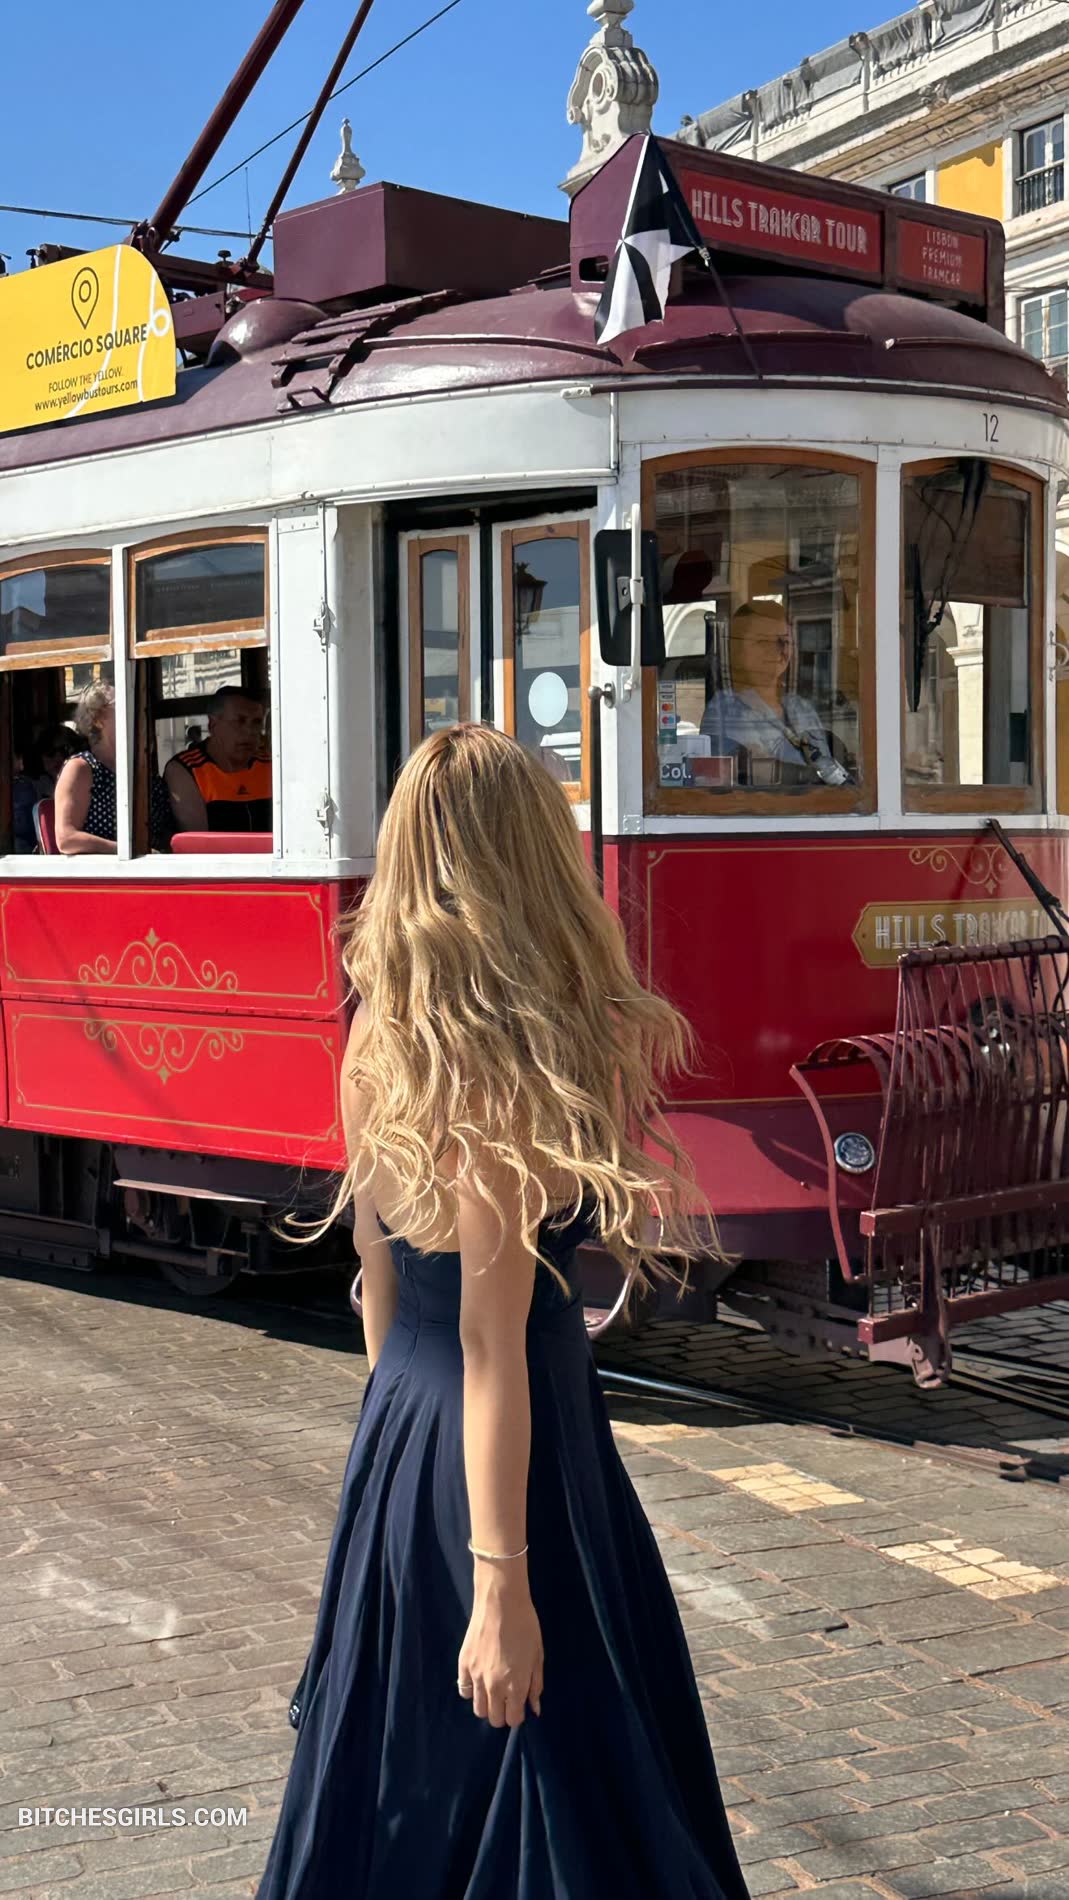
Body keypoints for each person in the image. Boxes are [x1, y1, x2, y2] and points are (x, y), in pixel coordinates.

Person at [256, 723, 750, 1900]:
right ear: (529, 858)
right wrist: (500, 1583)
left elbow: (376, 1272)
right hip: (512, 1445)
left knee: (405, 1774)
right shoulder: (499, 1066)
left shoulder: (380, 1025)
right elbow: (492, 1343)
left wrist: (393, 1465)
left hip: (408, 1426)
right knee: (549, 1768)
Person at [701, 598, 850, 788]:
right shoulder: (724, 710)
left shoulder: (801, 708)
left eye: (785, 641)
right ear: (737, 650)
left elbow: (828, 772)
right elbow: (729, 779)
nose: (780, 649)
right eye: (763, 641)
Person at [54, 682, 172, 855]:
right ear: (98, 719)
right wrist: (128, 851)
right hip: (105, 871)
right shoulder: (81, 768)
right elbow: (67, 839)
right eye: (122, 703)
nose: (134, 710)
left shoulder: (139, 769)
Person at [165, 686, 271, 833]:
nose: (250, 732)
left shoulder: (271, 765)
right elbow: (198, 840)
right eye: (240, 721)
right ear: (213, 725)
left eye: (256, 722)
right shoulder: (188, 770)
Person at [13, 723, 79, 853]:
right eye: (50, 752)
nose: (58, 758)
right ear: (39, 755)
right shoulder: (27, 788)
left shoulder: (87, 783)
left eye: (65, 750)